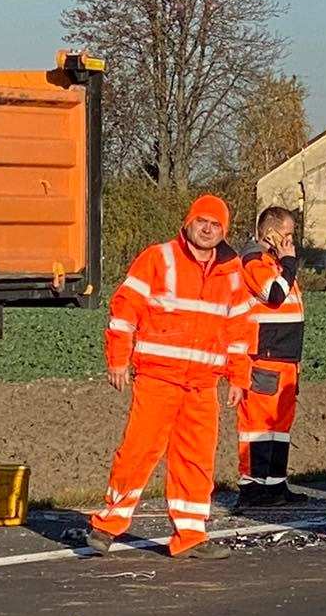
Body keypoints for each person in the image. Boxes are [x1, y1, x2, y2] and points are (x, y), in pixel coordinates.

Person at [88, 193, 251, 560]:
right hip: (157, 380)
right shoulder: (158, 258)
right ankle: (107, 525)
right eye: (202, 222)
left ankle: (191, 535)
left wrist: (238, 378)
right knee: (137, 452)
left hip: (202, 384)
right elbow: (125, 308)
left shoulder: (232, 271)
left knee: (196, 460)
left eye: (216, 225)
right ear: (189, 222)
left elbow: (240, 331)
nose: (207, 230)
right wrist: (118, 359)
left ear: (224, 231)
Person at [237, 205, 308, 506]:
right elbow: (274, 295)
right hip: (265, 357)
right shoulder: (255, 261)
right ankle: (252, 487)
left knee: (279, 425)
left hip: (285, 357)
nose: (291, 241)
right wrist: (290, 262)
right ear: (270, 233)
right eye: (287, 235)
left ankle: (276, 485)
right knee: (258, 425)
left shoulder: (275, 263)